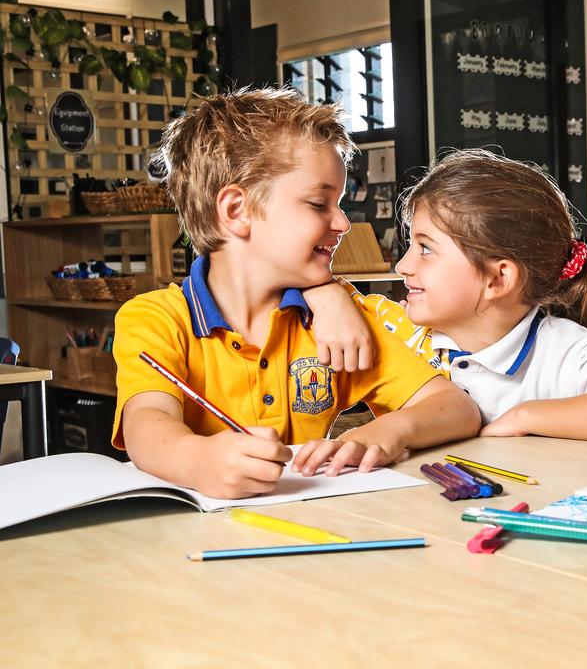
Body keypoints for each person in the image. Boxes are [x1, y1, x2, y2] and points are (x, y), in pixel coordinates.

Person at [112, 88, 480, 498]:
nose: (342, 222)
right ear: (237, 211)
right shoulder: (155, 319)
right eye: (319, 203)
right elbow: (147, 424)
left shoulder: (345, 320)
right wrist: (197, 461)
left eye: (338, 203)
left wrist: (384, 432)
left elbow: (456, 408)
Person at [326, 149, 587, 443]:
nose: (403, 265)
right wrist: (327, 296)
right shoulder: (398, 331)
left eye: (426, 249)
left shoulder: (562, 349)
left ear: (498, 278)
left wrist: (526, 416)